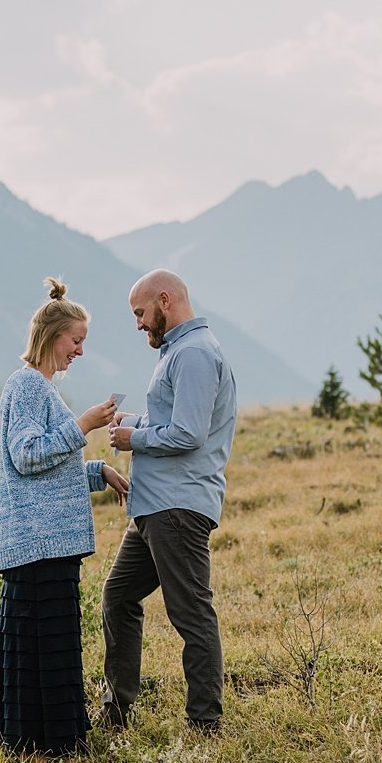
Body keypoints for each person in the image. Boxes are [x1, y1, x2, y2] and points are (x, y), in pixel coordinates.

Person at [0, 277, 130, 757]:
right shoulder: (28, 385)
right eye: (77, 341)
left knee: (41, 644)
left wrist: (100, 472)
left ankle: (37, 740)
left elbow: (50, 467)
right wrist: (84, 425)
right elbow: (26, 455)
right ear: (52, 337)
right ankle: (51, 743)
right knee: (45, 645)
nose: (80, 351)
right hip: (38, 544)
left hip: (43, 543)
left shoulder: (38, 387)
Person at [102, 268, 236, 732]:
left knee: (191, 613)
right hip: (153, 507)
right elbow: (175, 417)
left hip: (176, 507)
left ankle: (205, 722)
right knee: (118, 596)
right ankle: (117, 711)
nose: (138, 323)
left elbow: (189, 433)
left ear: (165, 300)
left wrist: (134, 437)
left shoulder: (195, 353)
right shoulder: (179, 351)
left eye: (140, 312)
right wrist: (134, 420)